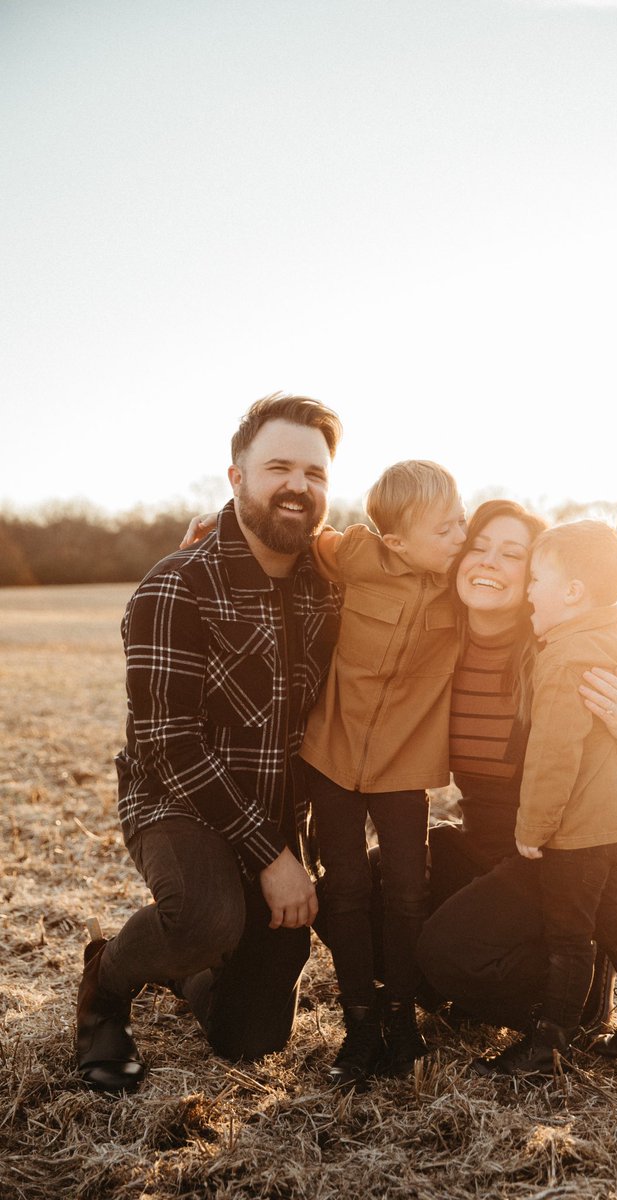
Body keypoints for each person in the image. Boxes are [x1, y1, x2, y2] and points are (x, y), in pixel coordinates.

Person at [75, 393, 343, 1093]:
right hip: (177, 799)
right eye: (278, 467)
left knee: (251, 1039)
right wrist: (272, 856)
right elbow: (168, 742)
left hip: (274, 810)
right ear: (236, 478)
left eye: (314, 474)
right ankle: (106, 985)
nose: (297, 486)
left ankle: (191, 962)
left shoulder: (330, 586)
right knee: (203, 913)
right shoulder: (176, 585)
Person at [432, 518, 617, 1082]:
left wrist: (534, 829)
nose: (526, 589)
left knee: (570, 936)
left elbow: (553, 756)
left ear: (572, 592)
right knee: (612, 920)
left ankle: (548, 1045)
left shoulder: (563, 658)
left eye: (535, 576)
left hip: (578, 828)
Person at [300, 460, 466, 1088]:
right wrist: (214, 529)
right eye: (445, 529)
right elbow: (302, 541)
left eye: (461, 520)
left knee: (407, 890)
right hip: (332, 755)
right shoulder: (359, 555)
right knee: (342, 887)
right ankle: (360, 1022)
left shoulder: (462, 583)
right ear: (396, 541)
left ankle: (401, 1016)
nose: (460, 536)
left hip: (407, 765)